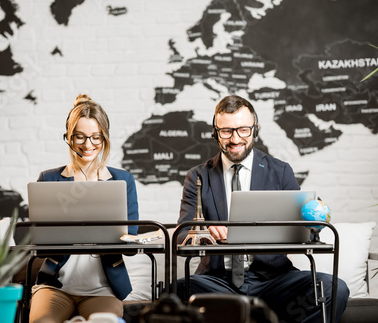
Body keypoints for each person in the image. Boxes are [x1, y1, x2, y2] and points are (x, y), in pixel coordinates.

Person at [177, 95, 349, 322]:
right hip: (217, 280)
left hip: (274, 279)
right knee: (173, 293)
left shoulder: (281, 172)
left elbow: (302, 232)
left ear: (255, 129)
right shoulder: (198, 176)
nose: (235, 139)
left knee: (333, 288)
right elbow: (181, 235)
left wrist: (308, 224)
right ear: (215, 132)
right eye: (226, 131)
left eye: (243, 130)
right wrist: (205, 231)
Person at [29, 94, 139, 323]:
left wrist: (124, 238)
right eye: (79, 137)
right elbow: (38, 243)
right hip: (55, 287)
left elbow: (131, 242)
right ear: (68, 137)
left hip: (103, 289)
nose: (88, 145)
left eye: (95, 138)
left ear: (105, 138)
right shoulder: (49, 179)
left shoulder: (122, 180)